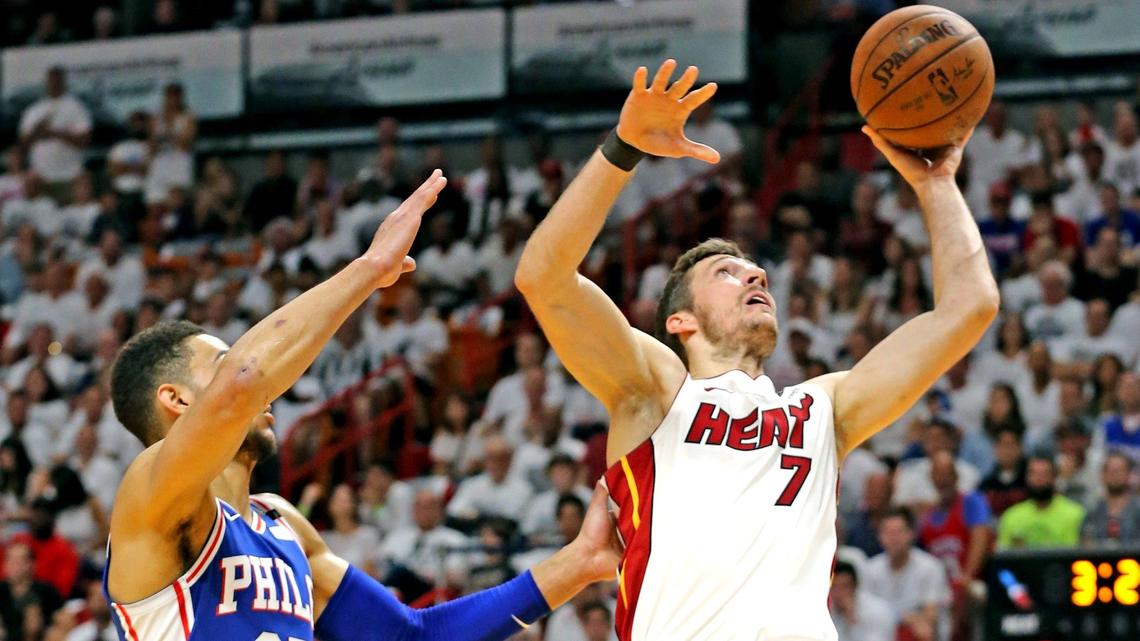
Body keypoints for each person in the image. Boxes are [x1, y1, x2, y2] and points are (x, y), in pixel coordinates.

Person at [514, 59, 998, 640]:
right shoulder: (656, 391)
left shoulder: (827, 406)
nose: (756, 277)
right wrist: (624, 148)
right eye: (727, 272)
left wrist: (937, 185)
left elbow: (969, 308)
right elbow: (543, 277)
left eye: (758, 272)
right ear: (680, 320)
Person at [101, 172, 620, 641]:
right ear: (176, 399)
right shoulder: (150, 498)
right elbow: (239, 386)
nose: (265, 390)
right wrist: (370, 270)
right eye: (219, 362)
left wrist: (580, 561)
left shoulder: (283, 527)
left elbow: (412, 637)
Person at [863, 509, 951, 641]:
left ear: (911, 534)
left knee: (923, 630)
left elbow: (930, 616)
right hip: (883, 632)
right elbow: (865, 613)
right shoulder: (871, 569)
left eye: (898, 532)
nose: (892, 539)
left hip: (919, 634)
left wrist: (900, 620)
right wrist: (903, 618)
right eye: (887, 533)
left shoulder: (930, 567)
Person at [17, 67, 92, 198]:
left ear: (63, 82)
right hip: (41, 178)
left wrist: (55, 133)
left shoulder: (76, 107)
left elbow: (84, 141)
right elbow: (23, 144)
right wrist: (37, 132)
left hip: (70, 176)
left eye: (57, 80)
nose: (54, 84)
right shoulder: (34, 110)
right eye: (51, 80)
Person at [997, 456, 1085, 549]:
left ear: (1054, 478)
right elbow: (1004, 555)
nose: (1039, 479)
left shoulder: (1075, 514)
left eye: (1045, 474)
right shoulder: (1012, 516)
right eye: (1034, 474)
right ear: (1026, 478)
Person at [1081, 452, 1140, 545]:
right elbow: (1086, 542)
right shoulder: (1091, 508)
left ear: (1129, 475)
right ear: (1102, 475)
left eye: (1119, 470)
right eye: (1110, 471)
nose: (1115, 475)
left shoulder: (1137, 508)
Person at [828, 561, 896, 641]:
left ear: (855, 586)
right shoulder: (826, 609)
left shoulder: (878, 612)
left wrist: (853, 621)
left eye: (844, 587)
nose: (838, 593)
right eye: (834, 587)